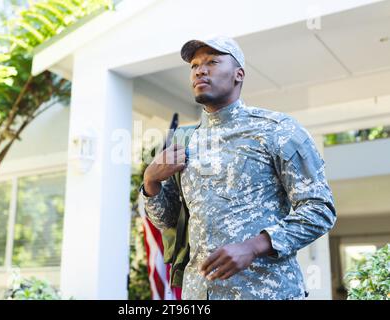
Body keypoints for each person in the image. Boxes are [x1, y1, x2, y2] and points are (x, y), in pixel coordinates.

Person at [140, 36, 336, 300]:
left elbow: (320, 209)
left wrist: (254, 246)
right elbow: (170, 221)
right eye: (194, 65)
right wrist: (151, 182)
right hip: (199, 294)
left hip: (267, 292)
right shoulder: (185, 140)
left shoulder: (278, 129)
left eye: (212, 62)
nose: (200, 69)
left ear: (238, 75)